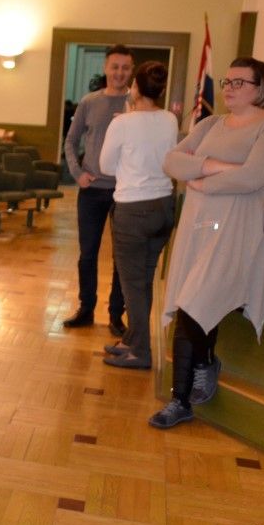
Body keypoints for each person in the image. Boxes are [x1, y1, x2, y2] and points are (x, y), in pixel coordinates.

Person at [151, 57, 264, 429]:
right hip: (198, 227)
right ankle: (203, 364)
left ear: (262, 87)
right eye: (227, 81)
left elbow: (253, 178)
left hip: (240, 230)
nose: (228, 88)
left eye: (238, 82)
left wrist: (201, 177)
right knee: (193, 301)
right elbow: (171, 161)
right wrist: (213, 165)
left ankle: (180, 399)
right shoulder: (210, 123)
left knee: (194, 303)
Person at [98, 61, 178, 369]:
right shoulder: (170, 119)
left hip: (133, 210)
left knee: (132, 284)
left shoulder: (122, 123)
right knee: (143, 280)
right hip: (163, 207)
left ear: (135, 88)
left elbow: (105, 166)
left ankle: (141, 351)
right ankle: (133, 339)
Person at [63, 44, 133, 336]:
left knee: (121, 257)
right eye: (115, 67)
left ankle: (116, 315)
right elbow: (70, 142)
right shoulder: (89, 102)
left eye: (125, 68)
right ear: (106, 68)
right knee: (87, 254)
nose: (119, 73)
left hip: (125, 193)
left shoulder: (137, 105)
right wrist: (77, 173)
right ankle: (86, 309)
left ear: (131, 71)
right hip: (91, 191)